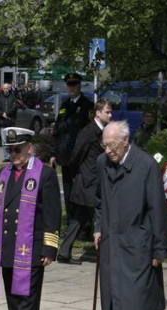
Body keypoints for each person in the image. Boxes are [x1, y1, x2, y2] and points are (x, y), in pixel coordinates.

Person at [94, 120, 167, 310]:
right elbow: (99, 201)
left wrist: (159, 249)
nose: (108, 151)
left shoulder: (145, 165)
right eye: (104, 146)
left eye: (112, 145)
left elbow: (157, 209)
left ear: (126, 141)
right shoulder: (102, 164)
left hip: (138, 243)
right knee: (114, 301)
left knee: (136, 303)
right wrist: (97, 226)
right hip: (111, 243)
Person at [0, 127, 61, 310]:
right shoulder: (3, 174)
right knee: (13, 298)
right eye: (9, 150)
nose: (13, 154)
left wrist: (49, 248)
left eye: (17, 149)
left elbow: (52, 213)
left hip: (31, 247)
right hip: (7, 245)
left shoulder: (44, 174)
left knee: (27, 298)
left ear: (30, 148)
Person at [57, 98, 112, 265]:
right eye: (107, 112)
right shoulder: (88, 132)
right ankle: (106, 253)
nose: (111, 114)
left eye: (111, 112)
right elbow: (76, 156)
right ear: (98, 112)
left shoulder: (104, 130)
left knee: (79, 219)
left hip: (94, 182)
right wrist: (79, 174)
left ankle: (64, 252)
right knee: (101, 217)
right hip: (88, 183)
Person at [49, 73, 94, 227]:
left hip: (81, 159)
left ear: (80, 85)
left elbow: (89, 133)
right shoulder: (64, 106)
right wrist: (53, 153)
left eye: (74, 84)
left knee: (81, 193)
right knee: (68, 193)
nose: (71, 87)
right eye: (69, 84)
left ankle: (84, 226)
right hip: (65, 157)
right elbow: (57, 131)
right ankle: (71, 223)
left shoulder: (87, 106)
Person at [0, 83, 18, 161]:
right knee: (4, 141)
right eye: (4, 88)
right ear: (2, 89)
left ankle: (12, 156)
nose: (5, 90)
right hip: (2, 122)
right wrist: (2, 113)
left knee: (11, 140)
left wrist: (7, 113)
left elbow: (14, 108)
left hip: (10, 122)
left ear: (9, 88)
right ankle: (6, 157)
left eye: (7, 88)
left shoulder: (13, 97)